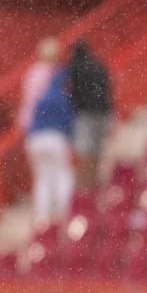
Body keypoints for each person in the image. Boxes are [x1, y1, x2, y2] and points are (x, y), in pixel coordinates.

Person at [25, 62, 75, 230]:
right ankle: (65, 211)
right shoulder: (62, 99)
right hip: (54, 139)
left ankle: (42, 215)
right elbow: (67, 122)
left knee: (43, 178)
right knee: (61, 175)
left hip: (36, 140)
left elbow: (31, 121)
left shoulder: (42, 97)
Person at [65, 42, 112, 191]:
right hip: (102, 111)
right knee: (97, 149)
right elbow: (107, 87)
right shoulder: (98, 65)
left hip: (84, 113)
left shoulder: (75, 67)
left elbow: (71, 92)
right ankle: (94, 181)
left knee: (84, 150)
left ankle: (83, 185)